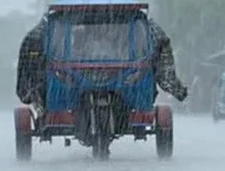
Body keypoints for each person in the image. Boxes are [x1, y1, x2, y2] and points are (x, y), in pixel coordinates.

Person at [15, 16, 188, 108]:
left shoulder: (143, 39)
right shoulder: (45, 41)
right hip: (81, 76)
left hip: (117, 76)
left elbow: (163, 68)